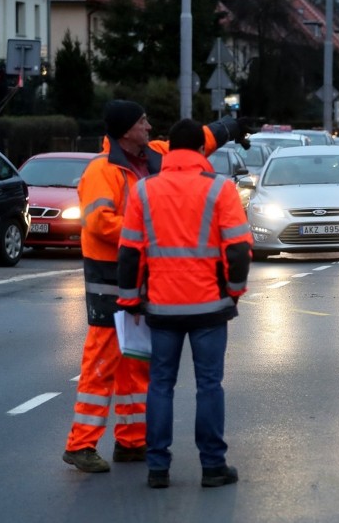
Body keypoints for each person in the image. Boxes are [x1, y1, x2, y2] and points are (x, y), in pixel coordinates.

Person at [62, 100, 250, 474]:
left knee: (137, 365)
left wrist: (231, 126)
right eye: (143, 122)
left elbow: (192, 144)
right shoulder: (103, 171)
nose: (150, 127)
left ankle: (132, 441)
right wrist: (147, 231)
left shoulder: (149, 157)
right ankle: (81, 444)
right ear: (125, 130)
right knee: (102, 362)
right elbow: (99, 222)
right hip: (109, 280)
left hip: (141, 279)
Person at [116, 118, 252, 489]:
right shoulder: (220, 189)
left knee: (160, 384)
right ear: (199, 150)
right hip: (209, 305)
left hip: (161, 307)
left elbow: (129, 252)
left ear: (170, 149)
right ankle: (212, 466)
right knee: (209, 385)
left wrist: (130, 299)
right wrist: (234, 291)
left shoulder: (144, 191)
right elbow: (238, 249)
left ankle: (157, 467)